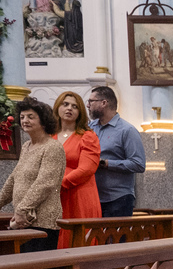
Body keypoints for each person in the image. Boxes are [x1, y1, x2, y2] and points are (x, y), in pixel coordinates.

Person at [0, 98, 65, 252]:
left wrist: (22, 209)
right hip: (25, 219)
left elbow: (45, 183)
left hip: (43, 221)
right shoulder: (26, 146)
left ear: (43, 121)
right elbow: (14, 178)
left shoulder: (53, 147)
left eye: (30, 117)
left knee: (38, 264)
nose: (25, 121)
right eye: (22, 117)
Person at [52, 91, 102, 248]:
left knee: (77, 241)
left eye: (75, 106)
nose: (69, 108)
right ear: (57, 107)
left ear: (80, 112)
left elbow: (86, 169)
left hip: (78, 194)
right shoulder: (49, 136)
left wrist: (59, 185)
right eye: (65, 104)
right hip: (52, 197)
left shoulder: (87, 136)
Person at [87, 86, 146, 217]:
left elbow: (138, 164)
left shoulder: (127, 130)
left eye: (91, 101)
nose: (87, 105)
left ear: (103, 103)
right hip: (93, 196)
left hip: (118, 199)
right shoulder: (90, 128)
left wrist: (106, 163)